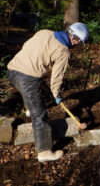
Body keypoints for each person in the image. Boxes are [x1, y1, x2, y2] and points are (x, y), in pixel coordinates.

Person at [7, 22, 89, 162]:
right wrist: (56, 95)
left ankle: (29, 109)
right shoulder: (63, 51)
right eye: (79, 43)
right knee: (40, 116)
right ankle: (44, 153)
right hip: (27, 78)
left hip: (12, 70)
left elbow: (27, 47)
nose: (77, 46)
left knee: (32, 94)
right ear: (74, 39)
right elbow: (56, 78)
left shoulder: (44, 32)